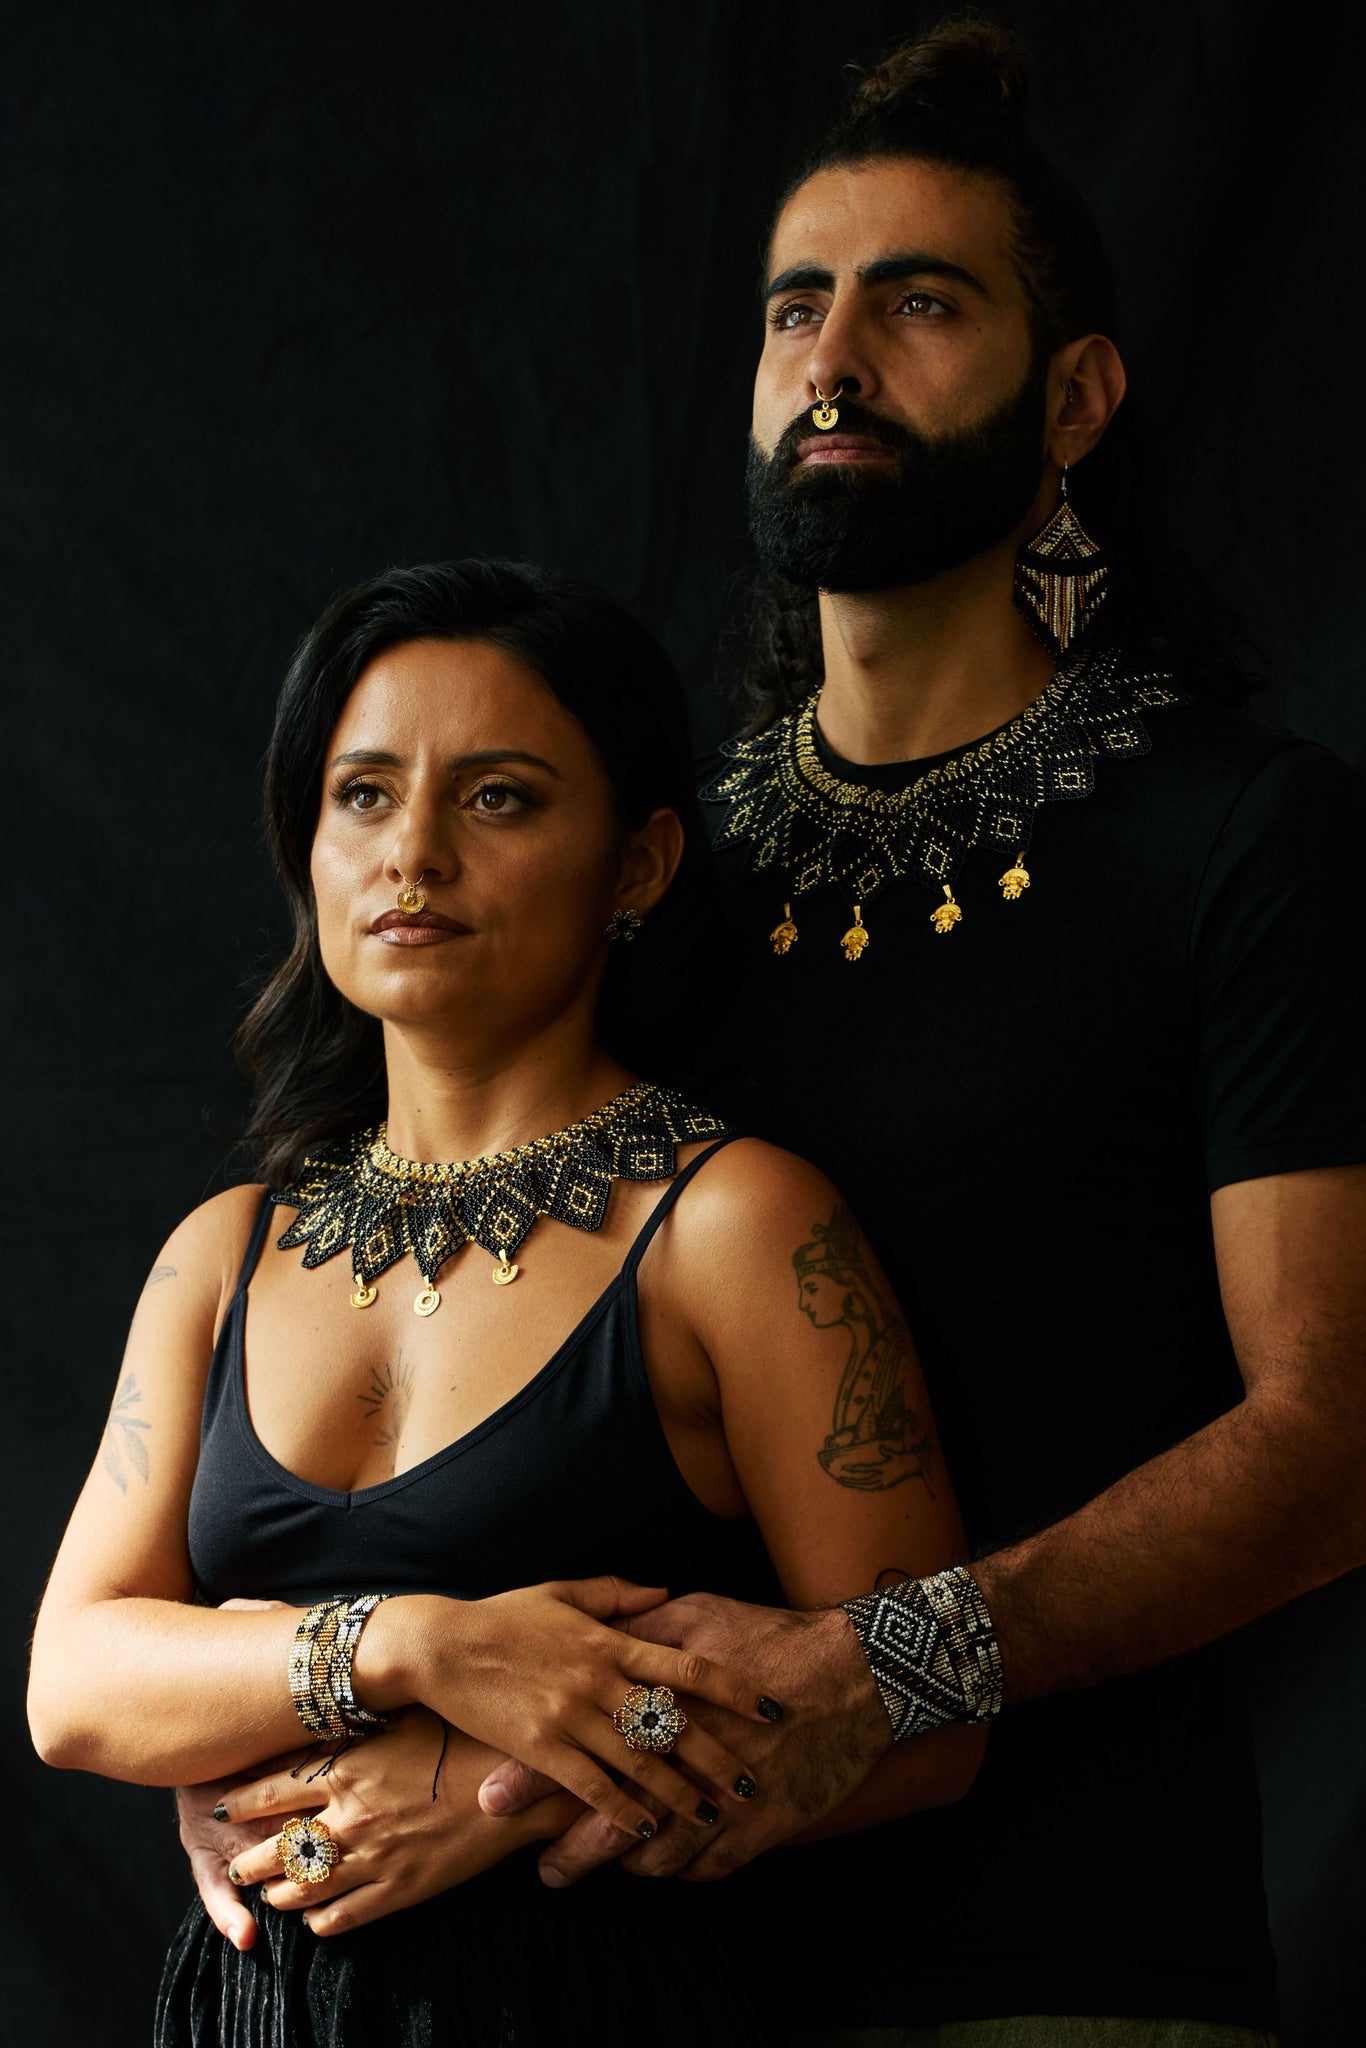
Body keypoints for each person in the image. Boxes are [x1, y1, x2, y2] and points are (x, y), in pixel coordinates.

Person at [172, 19, 1366, 2045]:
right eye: (794, 306)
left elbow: (1324, 1444)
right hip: (615, 1951)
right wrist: (305, 1720)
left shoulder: (1234, 836)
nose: (833, 358)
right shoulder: (638, 861)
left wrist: (868, 1672)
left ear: (1071, 398)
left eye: (917, 306)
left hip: (1049, 1944)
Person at [28, 558, 986, 2046]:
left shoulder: (734, 1226)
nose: (410, 851)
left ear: (640, 864)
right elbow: (74, 1679)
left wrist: (491, 1796)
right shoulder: (226, 1250)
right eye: (361, 794)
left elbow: (926, 1723)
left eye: (499, 798)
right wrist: (412, 1648)